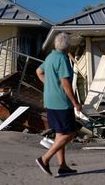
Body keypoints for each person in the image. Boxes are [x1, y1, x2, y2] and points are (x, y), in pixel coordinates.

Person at [35, 32, 82, 176]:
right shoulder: (62, 59)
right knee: (71, 132)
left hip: (50, 100)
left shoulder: (50, 57)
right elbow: (66, 84)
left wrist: (49, 84)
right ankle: (45, 159)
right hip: (62, 102)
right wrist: (76, 103)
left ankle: (62, 166)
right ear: (68, 47)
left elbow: (38, 71)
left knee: (60, 134)